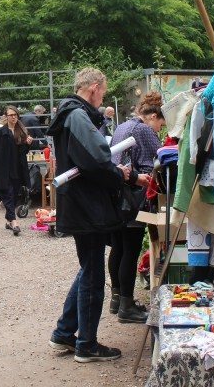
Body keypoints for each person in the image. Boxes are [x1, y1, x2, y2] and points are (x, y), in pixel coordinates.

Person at [47, 68, 136, 363]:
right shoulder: (77, 116)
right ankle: (86, 344)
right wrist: (119, 173)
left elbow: (90, 158)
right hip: (88, 207)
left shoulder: (72, 114)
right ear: (95, 88)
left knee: (88, 268)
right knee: (93, 272)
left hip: (81, 203)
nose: (103, 98)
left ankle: (64, 332)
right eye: (103, 91)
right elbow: (97, 159)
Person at [107, 92, 163, 323]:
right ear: (151, 116)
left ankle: (117, 298)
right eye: (161, 123)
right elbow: (159, 160)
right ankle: (127, 307)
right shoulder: (144, 130)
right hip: (133, 197)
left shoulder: (122, 126)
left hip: (116, 195)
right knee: (130, 250)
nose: (160, 129)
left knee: (118, 248)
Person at [0, 105, 33, 236]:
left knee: (13, 195)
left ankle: (8, 221)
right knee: (7, 193)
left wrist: (27, 144)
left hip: (17, 168)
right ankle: (14, 222)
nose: (13, 117)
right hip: (3, 168)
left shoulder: (22, 131)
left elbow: (22, 153)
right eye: (10, 115)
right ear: (6, 117)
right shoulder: (2, 132)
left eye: (15, 115)